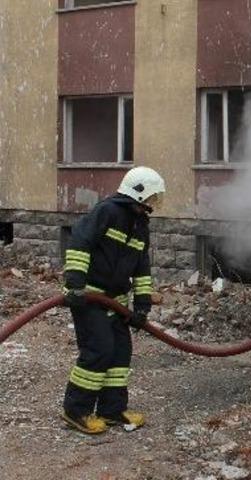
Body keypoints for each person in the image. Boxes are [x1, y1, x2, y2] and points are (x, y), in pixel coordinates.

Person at [61, 166, 165, 434]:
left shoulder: (140, 225)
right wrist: (75, 284)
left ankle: (112, 410)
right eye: (152, 196)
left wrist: (142, 306)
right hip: (89, 297)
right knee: (99, 350)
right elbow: (80, 243)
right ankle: (76, 410)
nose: (154, 202)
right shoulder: (107, 212)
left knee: (120, 351)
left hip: (116, 300)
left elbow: (141, 267)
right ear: (138, 192)